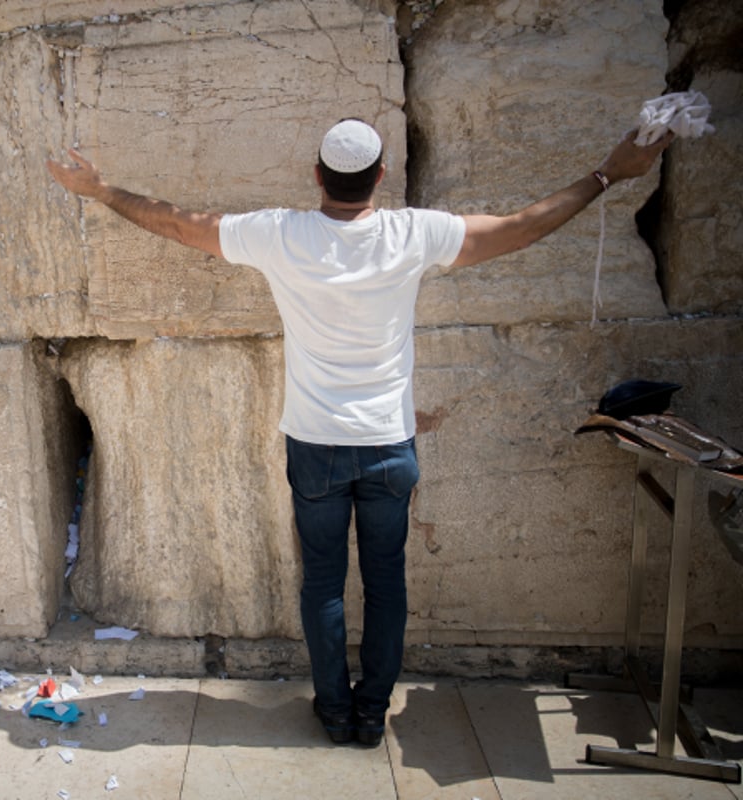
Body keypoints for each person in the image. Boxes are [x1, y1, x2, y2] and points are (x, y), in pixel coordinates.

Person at [47, 119, 672, 746]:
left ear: (317, 176)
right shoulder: (414, 234)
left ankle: (335, 709)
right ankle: (372, 713)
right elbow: (519, 227)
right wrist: (607, 173)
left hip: (315, 446)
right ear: (380, 176)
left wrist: (100, 190)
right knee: (386, 582)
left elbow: (180, 223)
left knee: (322, 583)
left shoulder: (280, 234)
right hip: (387, 447)